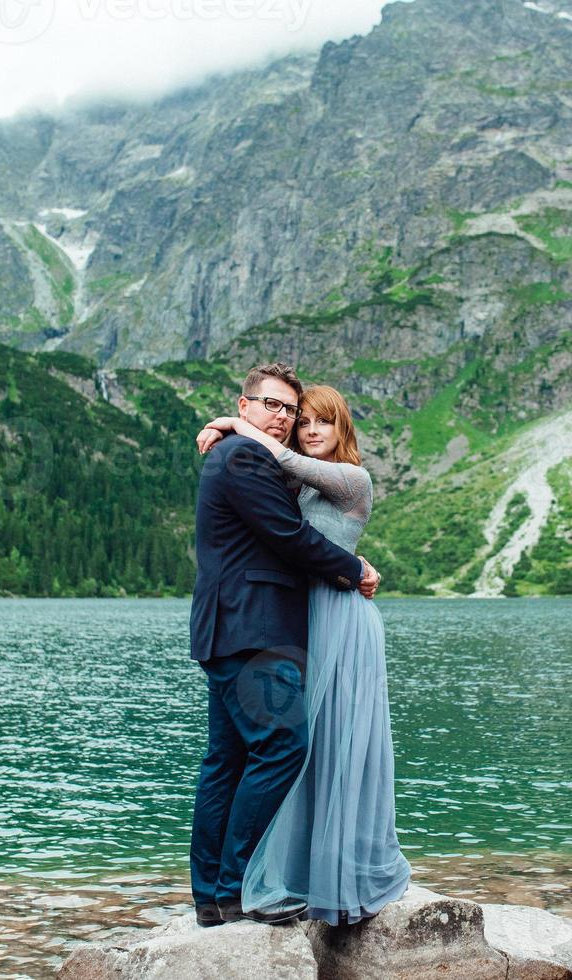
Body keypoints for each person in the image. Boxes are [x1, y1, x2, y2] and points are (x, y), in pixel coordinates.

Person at [196, 383, 411, 926]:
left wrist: (229, 422)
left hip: (331, 621)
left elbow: (287, 473)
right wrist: (235, 424)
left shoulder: (349, 477)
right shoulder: (254, 461)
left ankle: (249, 886)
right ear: (252, 404)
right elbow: (288, 530)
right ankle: (233, 890)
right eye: (299, 417)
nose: (306, 427)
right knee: (273, 753)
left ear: (344, 430)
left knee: (313, 750)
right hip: (280, 624)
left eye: (321, 421)